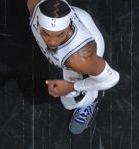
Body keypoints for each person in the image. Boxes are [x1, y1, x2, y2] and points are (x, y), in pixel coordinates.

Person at [27, 0, 120, 134]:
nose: (52, 42)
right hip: (76, 17)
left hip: (84, 58)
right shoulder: (33, 3)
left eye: (59, 35)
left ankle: (89, 101)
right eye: (46, 34)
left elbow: (112, 79)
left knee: (68, 101)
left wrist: (72, 86)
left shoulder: (79, 59)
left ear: (68, 25)